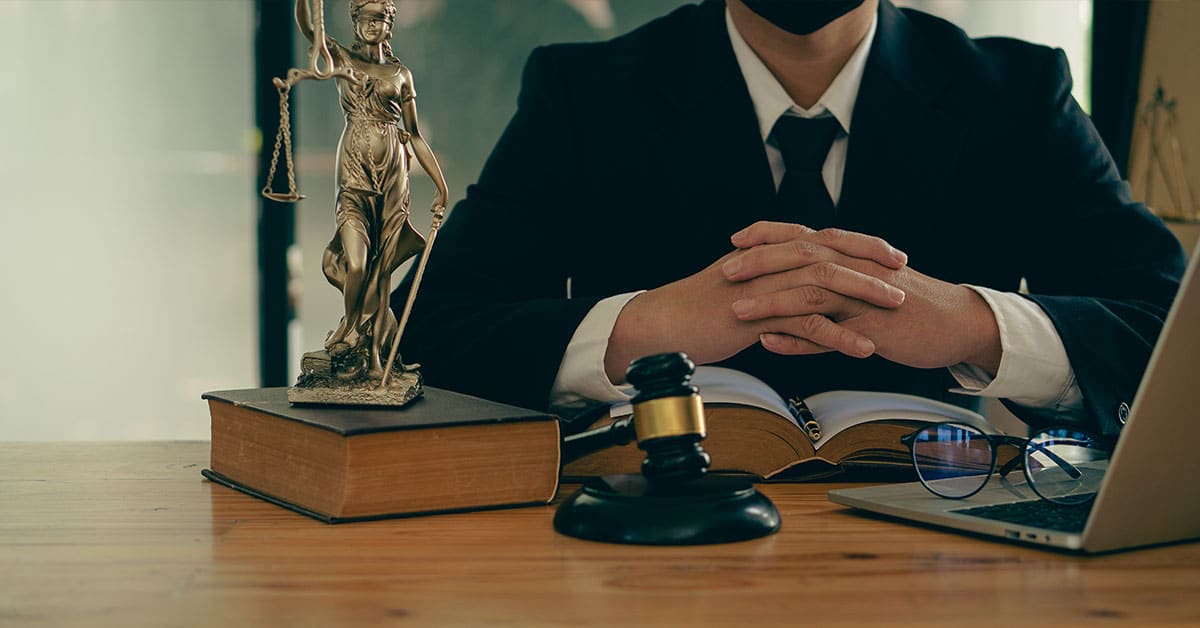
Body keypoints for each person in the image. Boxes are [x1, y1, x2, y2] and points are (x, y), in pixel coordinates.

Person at [393, 0, 1185, 435]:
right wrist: (641, 330)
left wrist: (974, 324)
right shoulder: (586, 90)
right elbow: (422, 335)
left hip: (945, 527)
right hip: (651, 528)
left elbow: (1168, 330)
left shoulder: (1016, 92)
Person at [297, 0, 448, 379]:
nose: (371, 25)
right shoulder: (343, 61)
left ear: (389, 25)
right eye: (365, 19)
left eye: (379, 19)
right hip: (353, 172)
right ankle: (349, 329)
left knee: (383, 269)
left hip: (394, 176)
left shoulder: (400, 75)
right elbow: (310, 28)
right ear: (355, 22)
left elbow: (413, 135)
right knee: (358, 262)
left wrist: (440, 185)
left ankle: (373, 348)